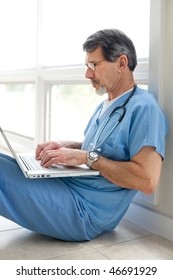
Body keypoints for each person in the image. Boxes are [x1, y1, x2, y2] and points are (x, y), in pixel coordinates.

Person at [0, 29, 167, 241]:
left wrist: (87, 158)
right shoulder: (104, 106)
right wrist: (64, 147)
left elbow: (147, 180)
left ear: (122, 63)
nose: (88, 74)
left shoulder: (145, 109)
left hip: (85, 211)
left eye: (94, 65)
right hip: (68, 188)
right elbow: (99, 148)